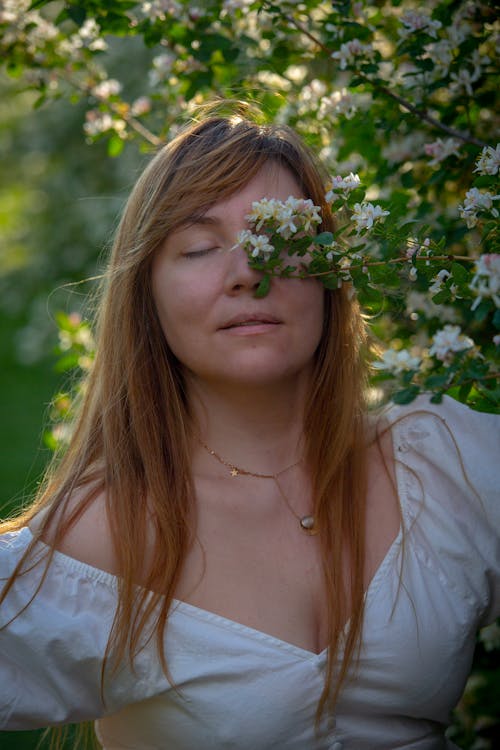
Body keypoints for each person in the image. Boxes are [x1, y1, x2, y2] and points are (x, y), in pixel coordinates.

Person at [0, 103, 499, 750]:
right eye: (201, 247)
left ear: (332, 273)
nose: (249, 272)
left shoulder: (439, 462)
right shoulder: (104, 528)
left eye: (282, 237)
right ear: (146, 294)